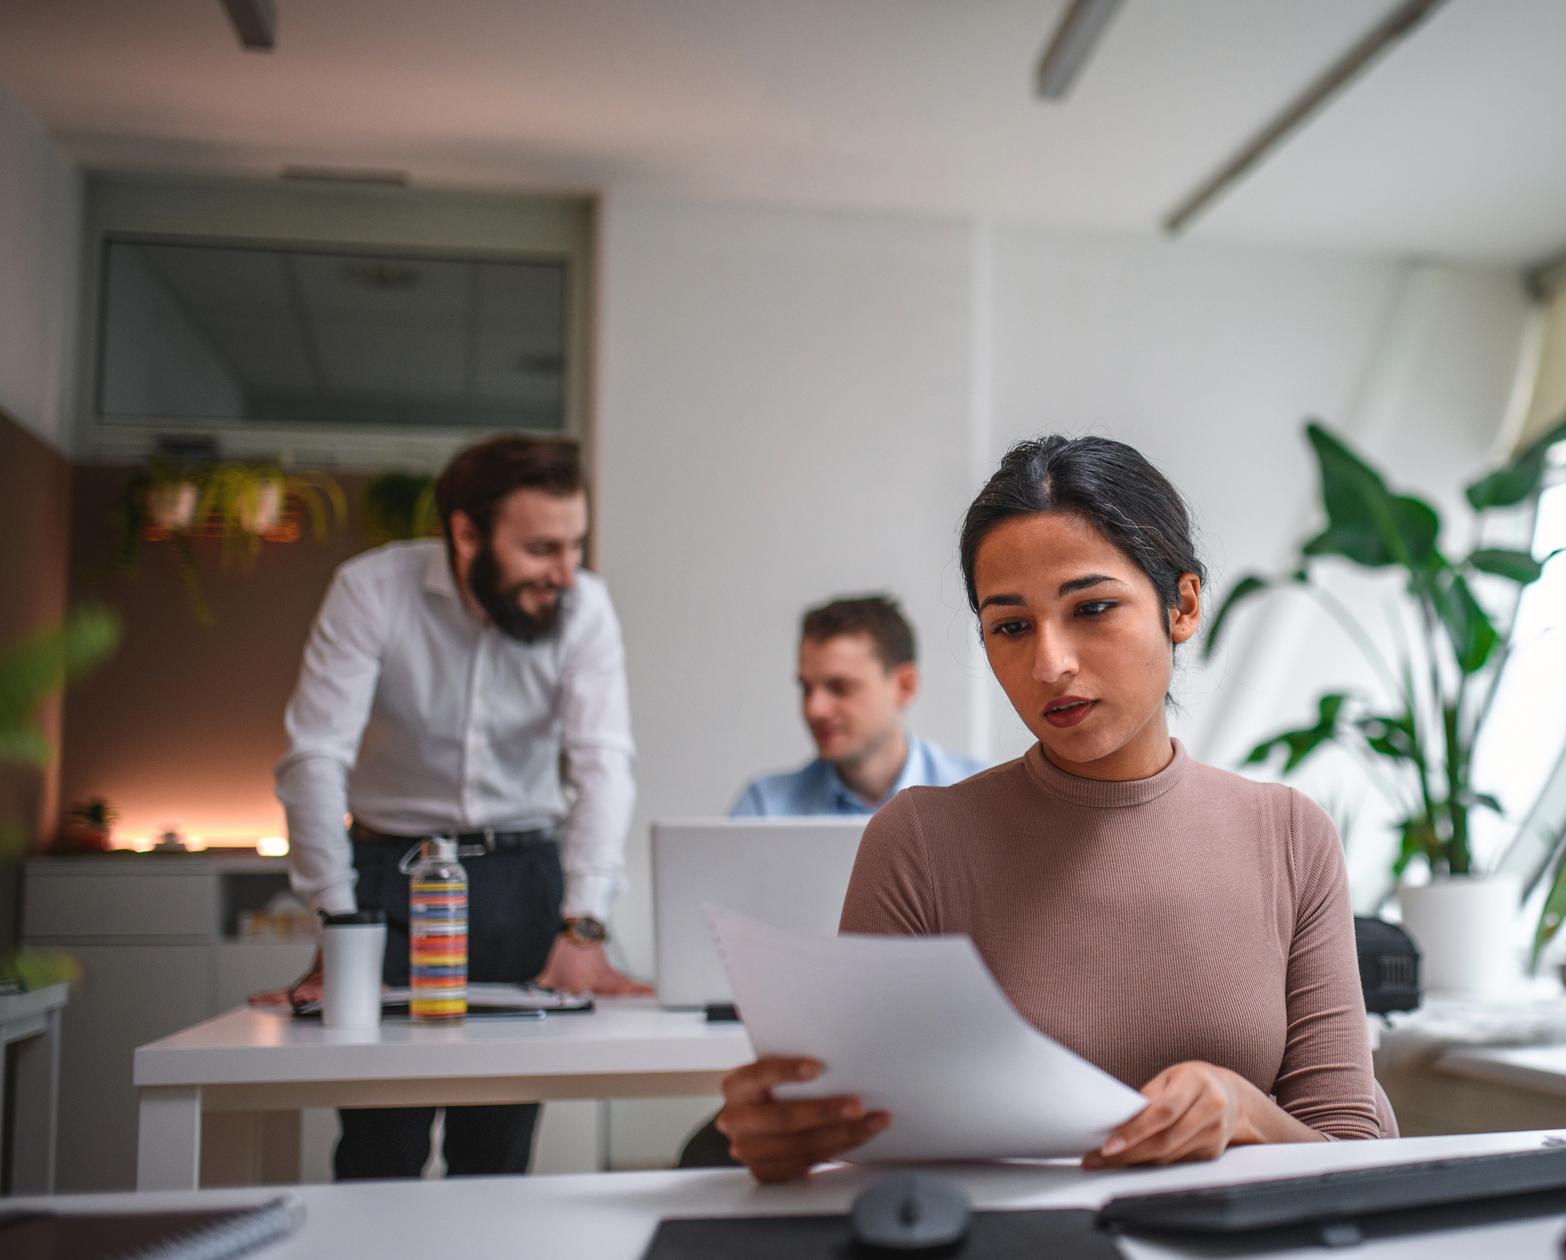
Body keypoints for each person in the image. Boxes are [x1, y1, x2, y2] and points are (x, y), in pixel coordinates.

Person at [697, 435, 1391, 1180]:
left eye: (1092, 608)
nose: (1049, 664)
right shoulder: (920, 840)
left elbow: (1355, 1150)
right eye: (1011, 626)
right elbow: (871, 1147)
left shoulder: (1288, 835)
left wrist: (1245, 1111)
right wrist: (791, 1140)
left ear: (1182, 605)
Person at [261, 434, 648, 1180]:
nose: (566, 573)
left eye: (574, 545)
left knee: (498, 1150)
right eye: (541, 548)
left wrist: (584, 924)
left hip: (522, 883)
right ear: (465, 533)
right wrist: (340, 925)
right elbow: (313, 760)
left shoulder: (585, 607)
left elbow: (605, 767)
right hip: (387, 879)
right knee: (380, 1144)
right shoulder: (370, 589)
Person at [728, 595, 983, 816]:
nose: (814, 709)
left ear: (905, 686)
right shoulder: (765, 809)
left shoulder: (981, 798)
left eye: (840, 688)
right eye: (807, 688)